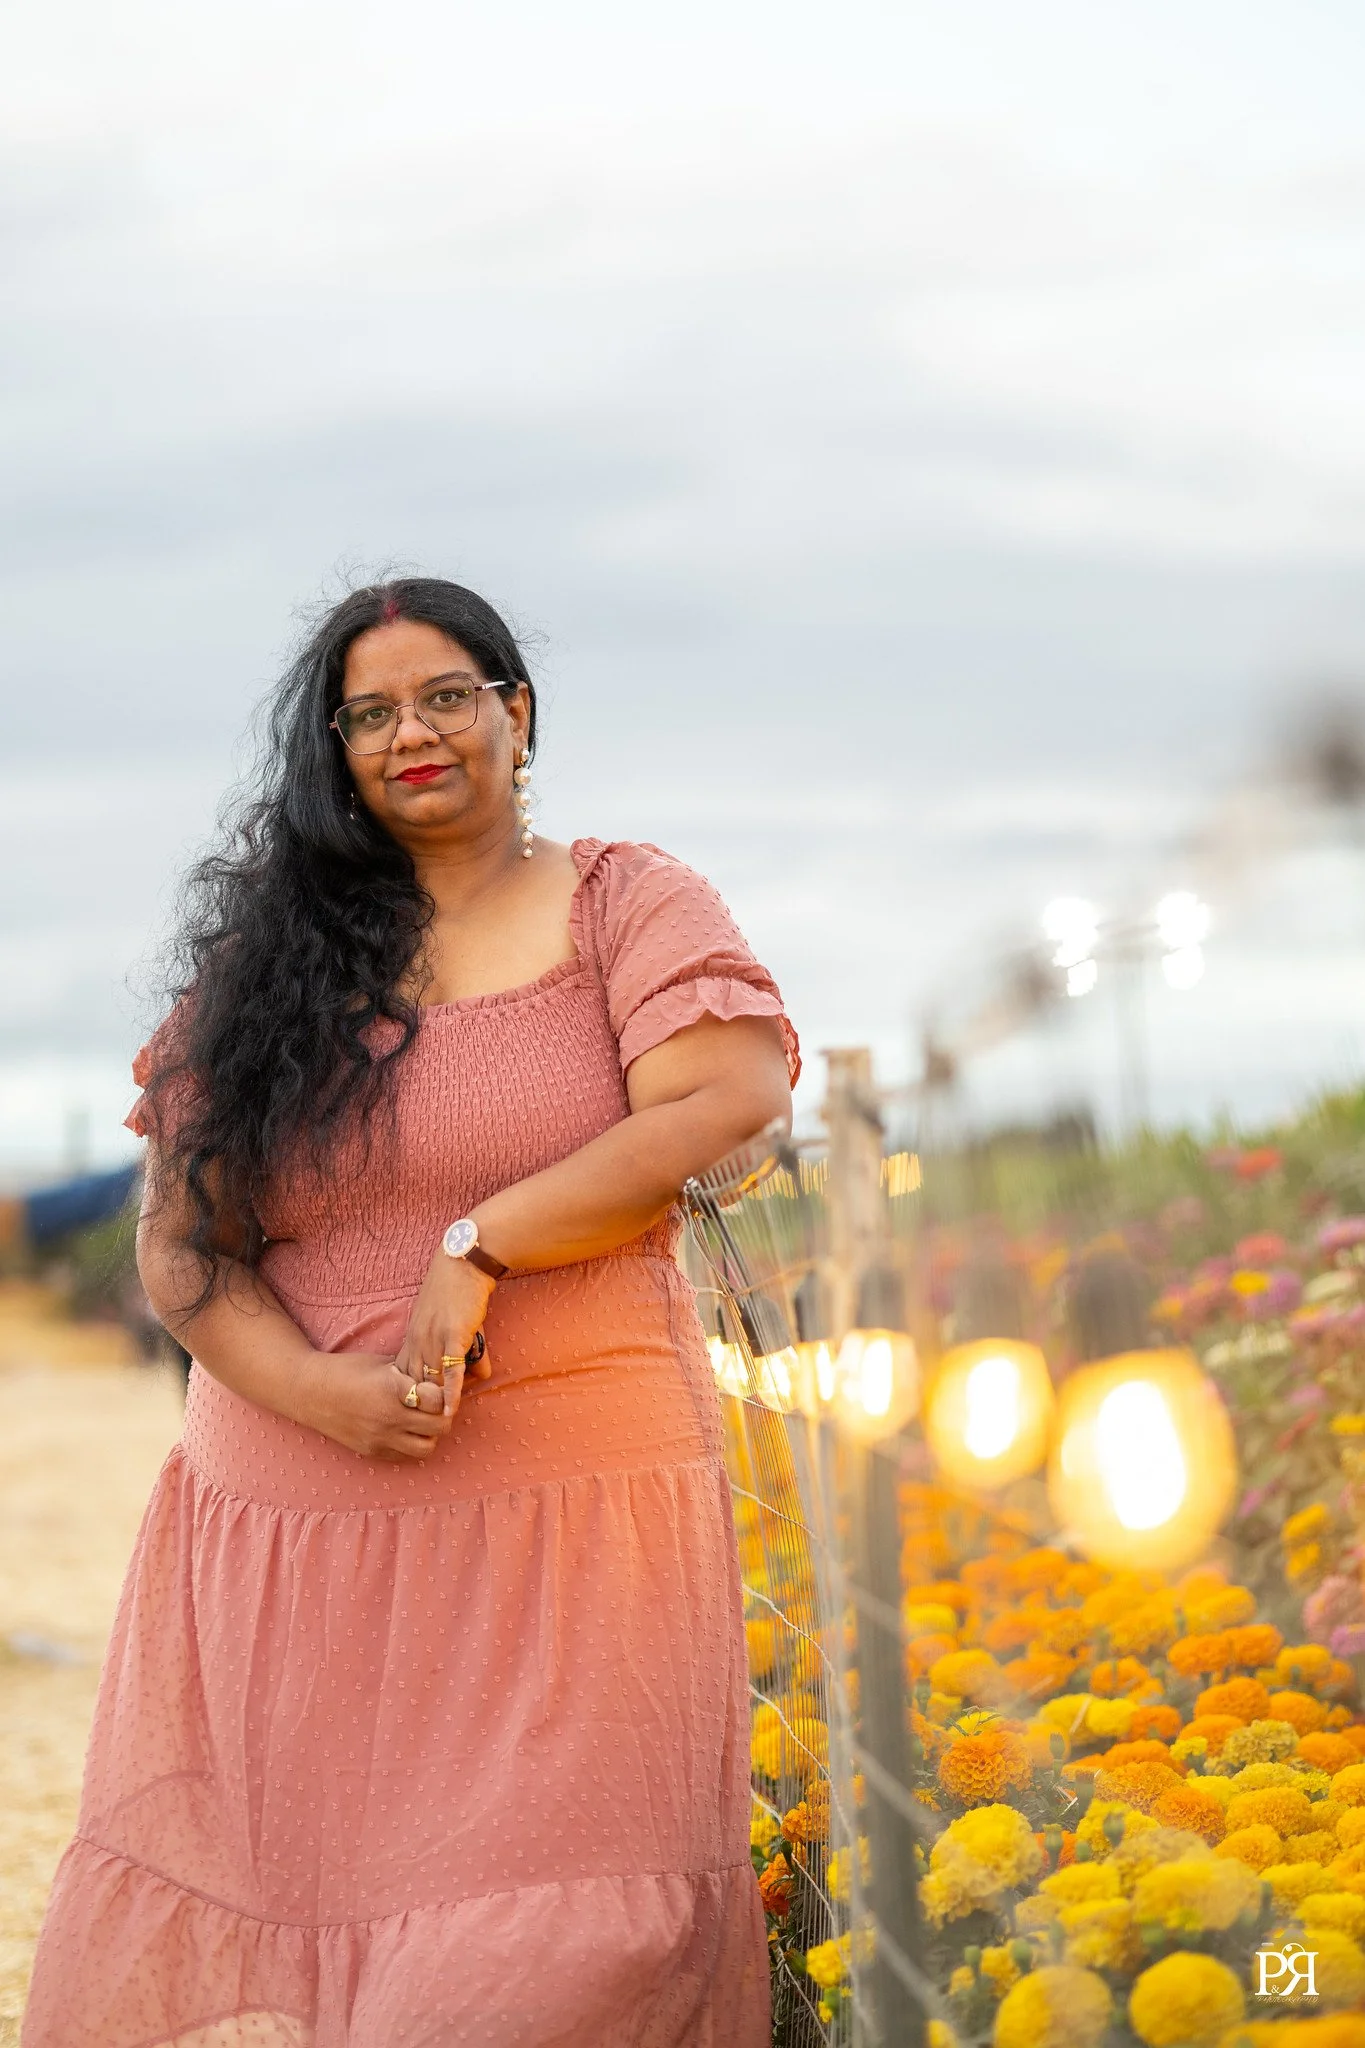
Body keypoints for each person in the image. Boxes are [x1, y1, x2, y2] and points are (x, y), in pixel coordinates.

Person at [23, 579, 798, 2047]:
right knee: (358, 1946)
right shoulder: (265, 966)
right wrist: (326, 1396)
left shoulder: (623, 898)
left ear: (518, 711)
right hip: (306, 1527)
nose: (412, 734)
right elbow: (184, 1252)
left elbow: (728, 1092)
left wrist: (481, 1243)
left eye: (446, 694)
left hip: (580, 1509)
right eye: (369, 714)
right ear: (335, 750)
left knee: (549, 1955)